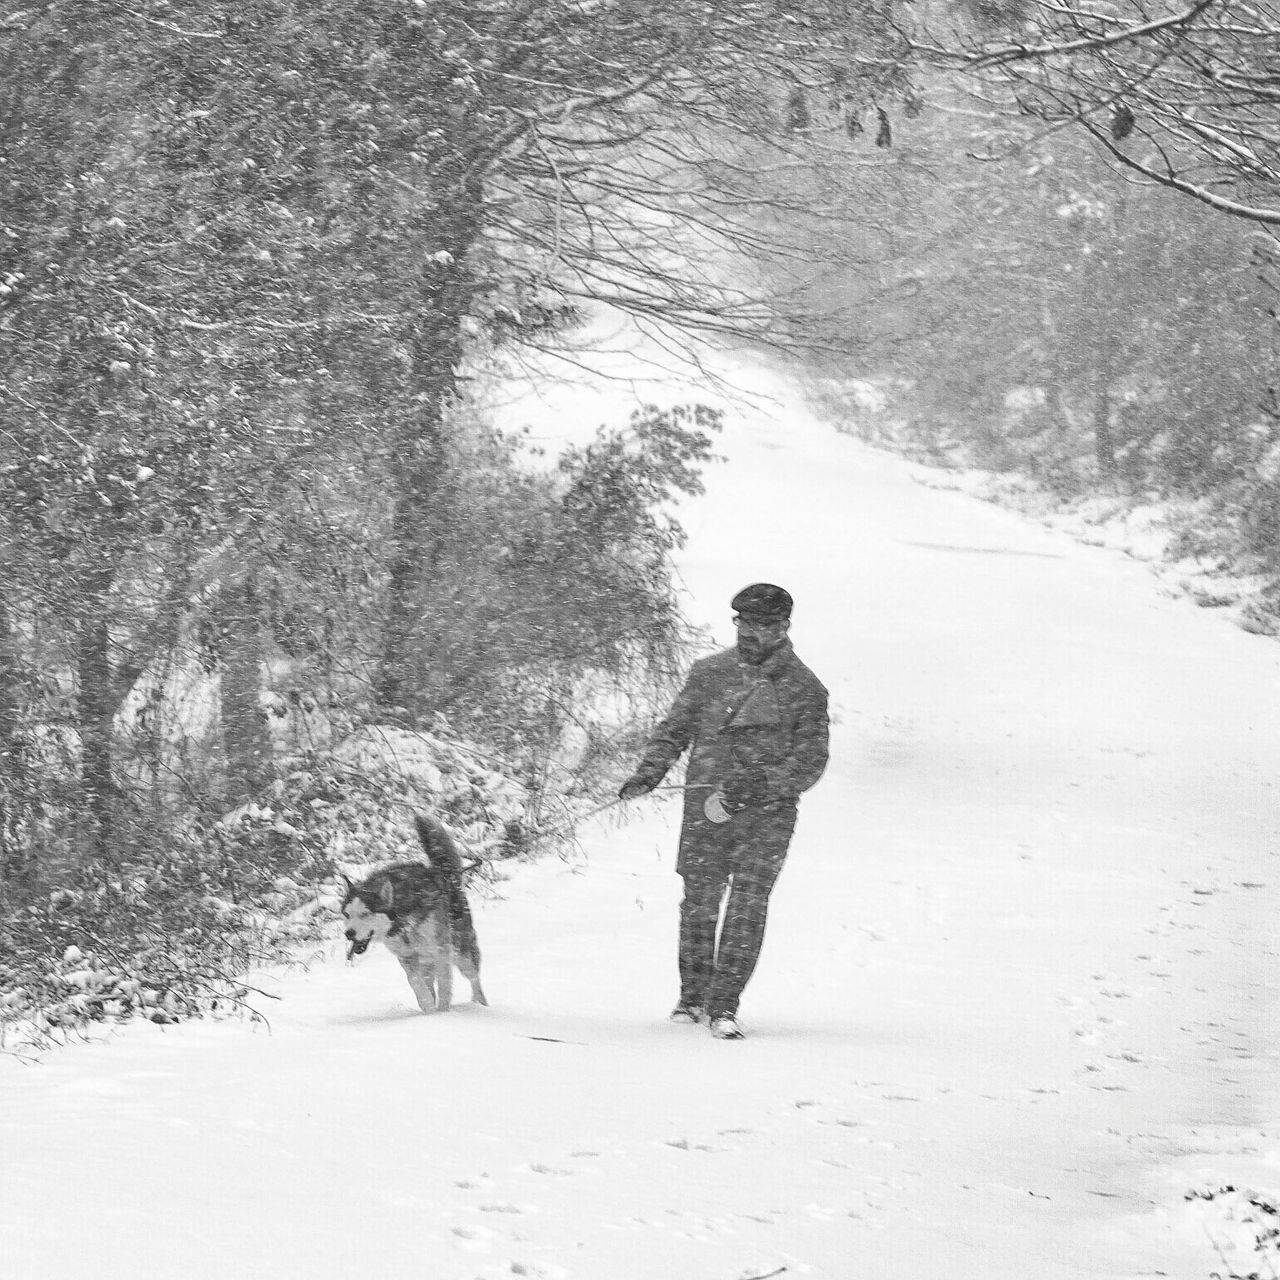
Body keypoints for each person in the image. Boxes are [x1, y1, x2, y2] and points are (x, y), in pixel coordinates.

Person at [618, 583, 829, 1040]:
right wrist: (649, 773)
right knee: (698, 904)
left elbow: (812, 760)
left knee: (747, 905)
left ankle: (724, 1005)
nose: (748, 633)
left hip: (769, 815)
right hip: (704, 809)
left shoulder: (806, 688)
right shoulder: (709, 674)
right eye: (742, 623)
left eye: (760, 625)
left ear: (782, 627)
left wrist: (766, 782)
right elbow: (674, 730)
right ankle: (692, 997)